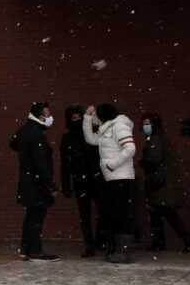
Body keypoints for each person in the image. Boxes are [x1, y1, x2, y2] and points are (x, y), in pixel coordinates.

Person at [84, 102, 137, 264]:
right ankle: (118, 250)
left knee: (122, 215)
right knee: (115, 214)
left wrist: (111, 165)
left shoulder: (119, 126)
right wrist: (87, 118)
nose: (95, 119)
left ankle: (124, 252)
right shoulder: (106, 128)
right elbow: (91, 139)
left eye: (96, 116)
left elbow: (130, 148)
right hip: (112, 178)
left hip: (122, 177)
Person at [140, 113, 190, 252]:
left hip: (160, 184)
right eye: (144, 124)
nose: (145, 126)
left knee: (166, 213)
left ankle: (186, 240)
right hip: (162, 183)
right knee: (160, 213)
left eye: (148, 123)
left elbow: (154, 159)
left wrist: (143, 162)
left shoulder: (155, 139)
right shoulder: (160, 138)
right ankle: (162, 242)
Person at [12, 102, 59, 261]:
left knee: (31, 216)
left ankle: (26, 248)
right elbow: (41, 164)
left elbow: (13, 143)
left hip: (28, 181)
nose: (50, 117)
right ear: (40, 116)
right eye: (47, 114)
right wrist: (50, 186)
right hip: (36, 184)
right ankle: (35, 250)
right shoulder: (37, 134)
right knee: (36, 217)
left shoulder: (25, 130)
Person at [60, 105, 103, 257]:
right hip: (82, 180)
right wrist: (66, 184)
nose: (77, 120)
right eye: (74, 118)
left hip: (94, 178)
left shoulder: (91, 133)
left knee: (101, 211)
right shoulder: (68, 139)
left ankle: (98, 241)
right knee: (85, 215)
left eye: (79, 117)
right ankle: (90, 244)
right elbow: (65, 164)